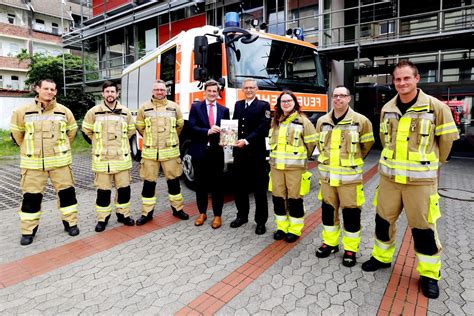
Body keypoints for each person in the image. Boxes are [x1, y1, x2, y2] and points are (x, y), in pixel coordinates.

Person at [362, 61, 459, 299]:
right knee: (383, 221)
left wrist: (432, 164)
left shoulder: (436, 108)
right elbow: (386, 142)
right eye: (398, 79)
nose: (402, 83)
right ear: (393, 82)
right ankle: (382, 257)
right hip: (390, 180)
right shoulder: (387, 108)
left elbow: (446, 143)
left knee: (424, 230)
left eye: (407, 78)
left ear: (417, 79)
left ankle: (429, 275)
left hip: (421, 183)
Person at [10, 79, 79, 245]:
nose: (49, 92)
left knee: (67, 195)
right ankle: (28, 231)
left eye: (53, 89)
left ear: (56, 92)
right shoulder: (22, 112)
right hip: (33, 165)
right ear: (37, 89)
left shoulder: (64, 111)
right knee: (31, 198)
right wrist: (30, 150)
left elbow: (72, 133)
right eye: (46, 88)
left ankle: (70, 223)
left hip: (60, 163)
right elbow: (18, 135)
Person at [314, 86, 375, 267]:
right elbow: (320, 144)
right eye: (335, 96)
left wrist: (352, 161)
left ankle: (350, 249)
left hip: (350, 179)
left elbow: (366, 145)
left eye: (342, 96)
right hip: (327, 179)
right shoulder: (322, 121)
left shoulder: (361, 121)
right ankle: (330, 243)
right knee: (328, 211)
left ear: (349, 98)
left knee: (351, 214)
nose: (338, 99)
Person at [82, 81, 136, 232]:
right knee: (103, 192)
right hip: (102, 160)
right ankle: (102, 219)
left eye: (113, 92)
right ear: (103, 94)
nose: (110, 94)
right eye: (107, 92)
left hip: (122, 159)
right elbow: (86, 132)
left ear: (117, 93)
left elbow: (131, 132)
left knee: (124, 190)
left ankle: (123, 215)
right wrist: (97, 144)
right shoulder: (94, 112)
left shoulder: (125, 112)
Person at [135, 79, 189, 225]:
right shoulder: (144, 108)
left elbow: (179, 125)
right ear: (153, 91)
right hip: (150, 154)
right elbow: (140, 127)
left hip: (170, 152)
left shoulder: (174, 107)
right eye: (157, 90)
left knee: (174, 183)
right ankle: (147, 213)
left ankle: (177, 210)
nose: (159, 92)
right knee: (148, 184)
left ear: (166, 91)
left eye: (162, 90)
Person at [269, 90, 316, 243]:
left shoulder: (303, 121)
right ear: (279, 104)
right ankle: (282, 227)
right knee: (278, 198)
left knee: (295, 200)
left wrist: (301, 159)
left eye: (289, 101)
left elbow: (311, 143)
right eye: (283, 101)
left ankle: (294, 230)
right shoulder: (276, 120)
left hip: (295, 169)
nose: (286, 103)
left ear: (294, 103)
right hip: (276, 168)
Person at [230, 79, 271, 235]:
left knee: (259, 189)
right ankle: (242, 216)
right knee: (239, 187)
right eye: (246, 87)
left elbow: (263, 127)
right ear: (242, 89)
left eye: (251, 88)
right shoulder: (238, 105)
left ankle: (260, 221)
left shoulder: (263, 105)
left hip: (256, 154)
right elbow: (234, 125)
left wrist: (246, 140)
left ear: (257, 89)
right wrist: (227, 138)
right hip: (239, 154)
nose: (248, 90)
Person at [188, 79, 230, 229]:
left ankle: (218, 215)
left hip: (216, 153)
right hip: (200, 152)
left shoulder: (224, 110)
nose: (212, 94)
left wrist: (227, 140)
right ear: (204, 92)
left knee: (218, 185)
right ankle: (202, 213)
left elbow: (227, 131)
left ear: (218, 93)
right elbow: (191, 127)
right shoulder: (196, 108)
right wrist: (207, 131)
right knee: (201, 184)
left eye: (215, 91)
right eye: (209, 91)